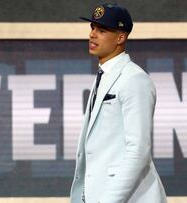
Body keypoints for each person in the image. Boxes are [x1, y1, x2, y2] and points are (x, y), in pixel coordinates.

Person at [69, 3, 167, 203]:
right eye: (92, 28)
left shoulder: (134, 80)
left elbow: (138, 151)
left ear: (121, 37)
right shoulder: (104, 75)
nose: (92, 35)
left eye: (102, 30)